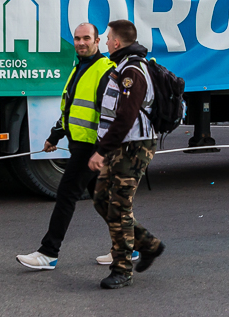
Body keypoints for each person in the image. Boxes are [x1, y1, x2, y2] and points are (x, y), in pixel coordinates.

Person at [16, 23, 118, 271]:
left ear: (97, 41)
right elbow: (70, 110)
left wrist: (101, 150)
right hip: (81, 144)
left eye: (86, 38)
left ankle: (48, 253)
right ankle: (133, 244)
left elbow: (112, 116)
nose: (81, 43)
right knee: (103, 200)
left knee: (66, 195)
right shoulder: (79, 68)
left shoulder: (105, 71)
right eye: (77, 38)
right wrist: (55, 136)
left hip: (90, 147)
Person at [88, 20, 164, 289]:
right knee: (101, 200)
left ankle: (122, 270)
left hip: (133, 147)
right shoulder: (122, 67)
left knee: (119, 207)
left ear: (117, 42)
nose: (106, 41)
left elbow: (126, 116)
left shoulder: (132, 70)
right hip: (120, 146)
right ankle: (148, 244)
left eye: (108, 37)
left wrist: (101, 151)